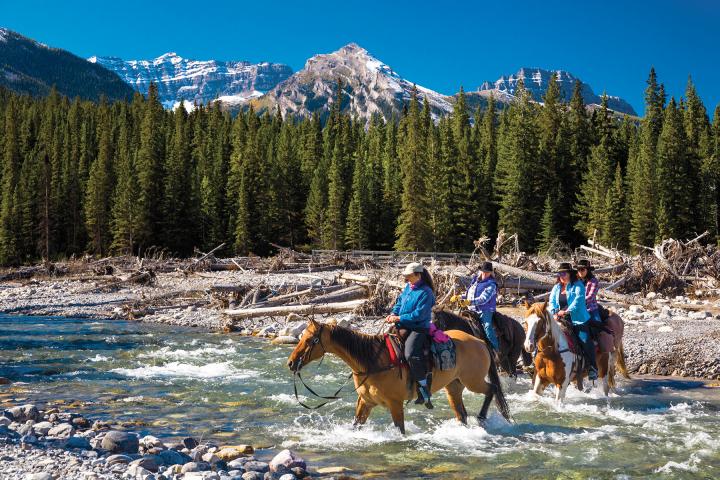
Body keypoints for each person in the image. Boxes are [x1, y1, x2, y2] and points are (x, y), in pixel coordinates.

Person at [385, 262, 436, 408]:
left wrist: (399, 318)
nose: (407, 279)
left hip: (419, 328)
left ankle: (424, 388)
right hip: (403, 325)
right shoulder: (409, 287)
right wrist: (394, 313)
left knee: (410, 354)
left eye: (409, 276)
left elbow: (419, 315)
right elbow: (400, 303)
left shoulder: (426, 292)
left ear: (418, 275)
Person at [548, 262, 598, 381]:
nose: (561, 275)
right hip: (559, 318)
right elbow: (552, 301)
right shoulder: (557, 287)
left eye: (564, 273)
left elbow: (578, 301)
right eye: (560, 273)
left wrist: (565, 311)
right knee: (544, 334)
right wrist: (554, 312)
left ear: (570, 274)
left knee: (585, 339)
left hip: (577, 319)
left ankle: (592, 367)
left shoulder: (578, 285)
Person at [462, 262, 501, 356]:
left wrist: (468, 302)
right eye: (483, 271)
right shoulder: (475, 281)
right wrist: (460, 297)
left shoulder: (492, 284)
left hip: (485, 310)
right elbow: (469, 294)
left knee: (487, 327)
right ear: (480, 271)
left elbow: (483, 299)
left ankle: (497, 351)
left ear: (490, 273)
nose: (485, 273)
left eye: (487, 272)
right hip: (471, 309)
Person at [575, 259, 601, 324]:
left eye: (582, 269)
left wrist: (576, 302)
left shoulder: (593, 281)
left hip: (590, 308)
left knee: (598, 325)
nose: (580, 272)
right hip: (576, 308)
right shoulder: (576, 281)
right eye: (579, 269)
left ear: (588, 270)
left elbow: (590, 297)